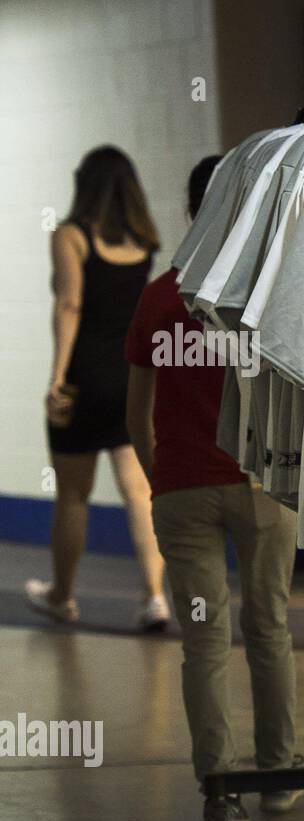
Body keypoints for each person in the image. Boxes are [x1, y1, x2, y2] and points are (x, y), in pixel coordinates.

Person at [125, 156, 301, 821]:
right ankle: (281, 779)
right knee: (270, 629)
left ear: (191, 212)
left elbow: (137, 416)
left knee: (204, 645)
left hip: (184, 492)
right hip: (261, 487)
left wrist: (159, 477)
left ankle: (221, 794)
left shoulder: (159, 299)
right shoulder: (263, 296)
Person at [25, 146, 170, 630]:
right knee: (141, 492)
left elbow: (69, 306)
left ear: (83, 185)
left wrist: (57, 379)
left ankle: (62, 597)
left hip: (86, 376)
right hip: (132, 375)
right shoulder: (144, 242)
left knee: (73, 495)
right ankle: (154, 598)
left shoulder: (71, 236)